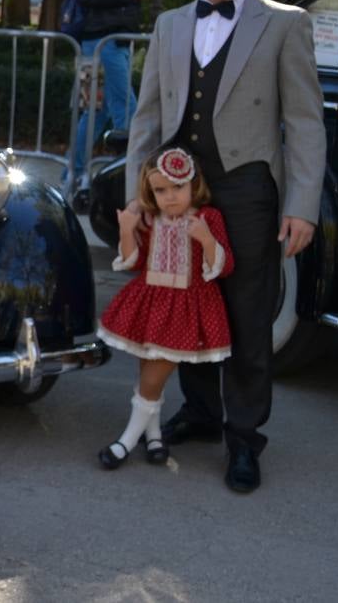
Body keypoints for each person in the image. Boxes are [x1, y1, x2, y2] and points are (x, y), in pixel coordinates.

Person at [125, 0, 326, 493]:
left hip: (246, 188)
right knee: (185, 303)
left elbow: (305, 122)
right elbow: (148, 117)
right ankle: (202, 412)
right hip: (177, 188)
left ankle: (244, 437)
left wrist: (302, 205)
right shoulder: (167, 24)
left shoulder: (284, 24)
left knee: (245, 312)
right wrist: (137, 199)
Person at [96, 147, 233, 470]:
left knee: (155, 375)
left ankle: (127, 440)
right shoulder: (152, 219)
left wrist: (207, 239)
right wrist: (127, 229)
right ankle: (155, 436)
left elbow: (223, 267)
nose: (170, 197)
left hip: (186, 308)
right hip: (151, 302)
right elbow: (134, 261)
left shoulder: (207, 218)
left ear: (193, 185)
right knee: (147, 371)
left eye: (177, 188)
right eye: (160, 190)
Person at [68, 0, 156, 196]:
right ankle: (125, 179)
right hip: (103, 41)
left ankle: (75, 172)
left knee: (97, 114)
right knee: (125, 109)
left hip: (114, 40)